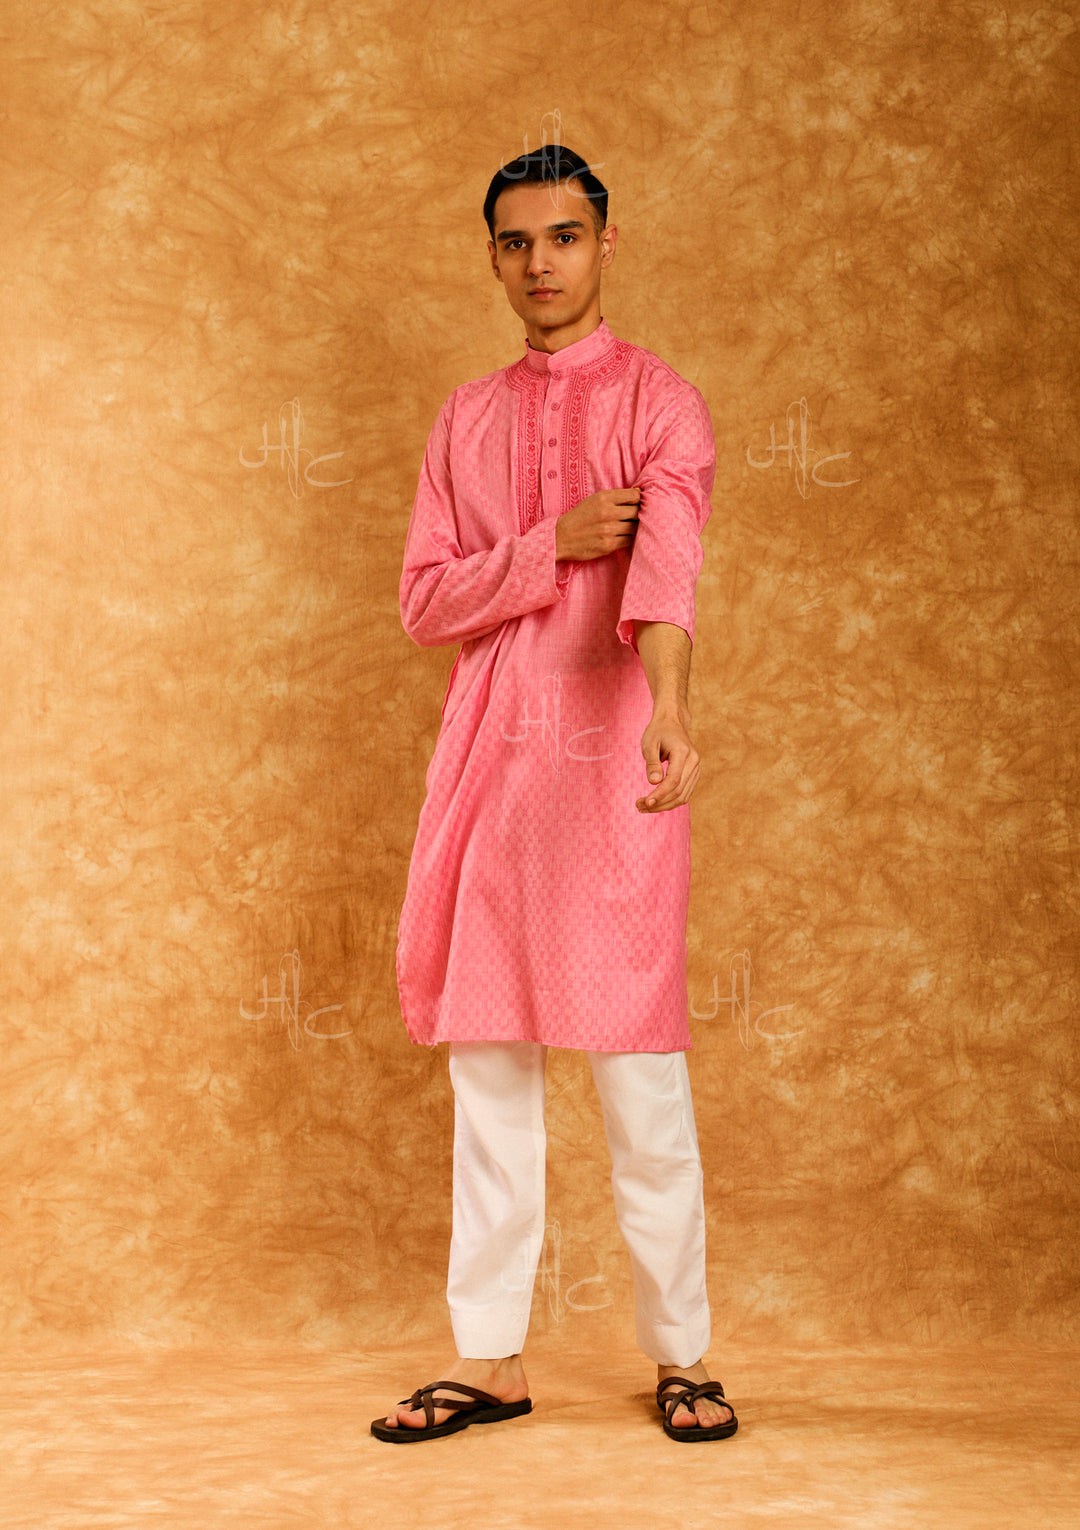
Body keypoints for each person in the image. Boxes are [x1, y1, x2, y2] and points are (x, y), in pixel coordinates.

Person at [371, 145, 737, 1444]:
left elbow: (667, 573)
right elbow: (425, 602)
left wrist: (672, 711)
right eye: (517, 241)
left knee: (641, 1081)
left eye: (565, 237)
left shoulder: (659, 402)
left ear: (605, 243)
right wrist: (548, 545)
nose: (541, 263)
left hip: (611, 766)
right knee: (491, 1077)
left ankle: (682, 1355)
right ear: (493, 256)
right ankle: (490, 1358)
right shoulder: (463, 420)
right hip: (490, 770)